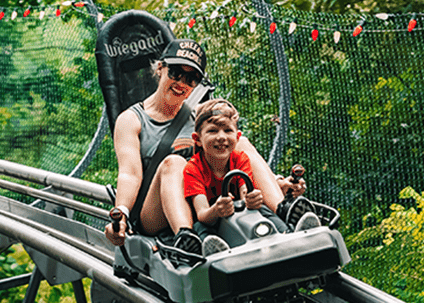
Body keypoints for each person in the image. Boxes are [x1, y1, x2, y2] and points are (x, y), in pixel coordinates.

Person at [104, 38, 309, 256]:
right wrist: (122, 214)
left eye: (192, 78)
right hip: (156, 212)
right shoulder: (132, 119)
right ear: (160, 68)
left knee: (240, 142)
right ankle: (186, 236)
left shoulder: (200, 116)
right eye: (176, 73)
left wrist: (278, 182)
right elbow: (130, 175)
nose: (182, 83)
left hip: (204, 202)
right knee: (174, 163)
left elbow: (232, 158)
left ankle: (285, 209)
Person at [183, 99, 321, 256]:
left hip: (238, 214)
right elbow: (202, 213)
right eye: (213, 131)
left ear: (237, 136)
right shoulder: (193, 168)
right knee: (199, 227)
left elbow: (245, 193)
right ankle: (213, 248)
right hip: (213, 219)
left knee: (262, 208)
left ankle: (290, 232)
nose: (221, 137)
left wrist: (253, 199)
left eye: (228, 131)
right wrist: (216, 210)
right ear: (197, 139)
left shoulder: (240, 158)